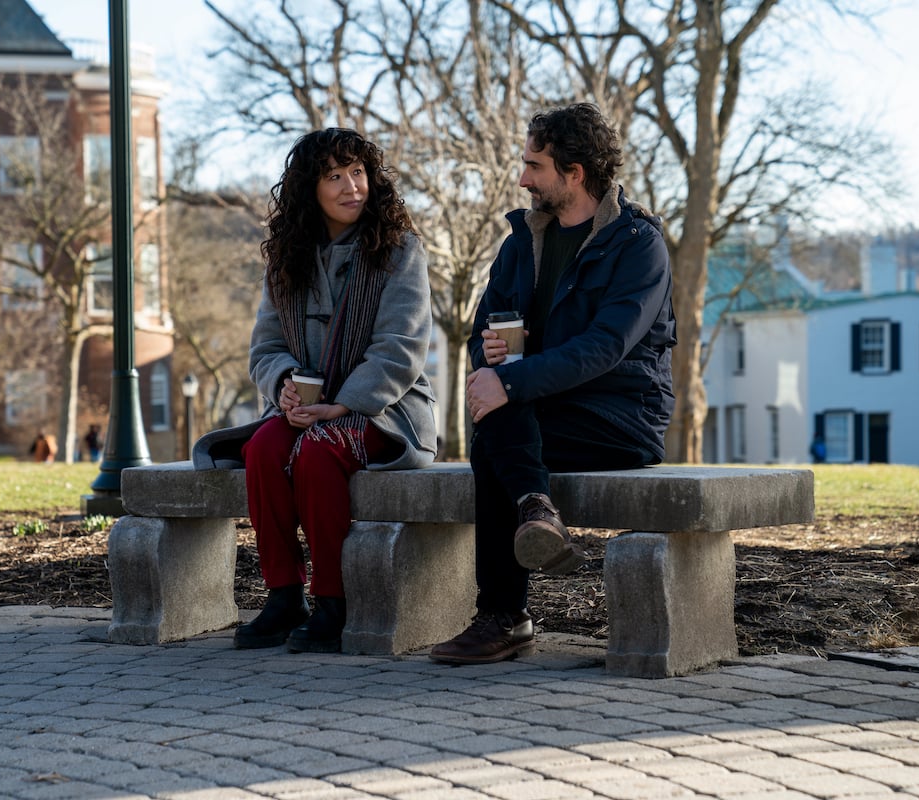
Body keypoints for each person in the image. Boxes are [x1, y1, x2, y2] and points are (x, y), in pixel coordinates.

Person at [429, 102, 676, 665]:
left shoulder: (638, 244)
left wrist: (511, 382)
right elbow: (478, 333)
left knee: (495, 421)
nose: (522, 178)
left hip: (621, 416)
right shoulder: (521, 242)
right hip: (542, 409)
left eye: (534, 165)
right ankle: (537, 510)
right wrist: (489, 353)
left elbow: (605, 347)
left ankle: (504, 616)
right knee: (496, 411)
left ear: (574, 173)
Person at [227, 128, 437, 653]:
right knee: (263, 448)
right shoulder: (287, 259)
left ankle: (333, 602)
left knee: (321, 450)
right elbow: (266, 345)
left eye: (359, 172)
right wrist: (284, 390)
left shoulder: (400, 250)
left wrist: (343, 404)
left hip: (388, 410)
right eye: (334, 176)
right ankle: (282, 596)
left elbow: (401, 346)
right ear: (310, 190)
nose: (352, 186)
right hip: (310, 411)